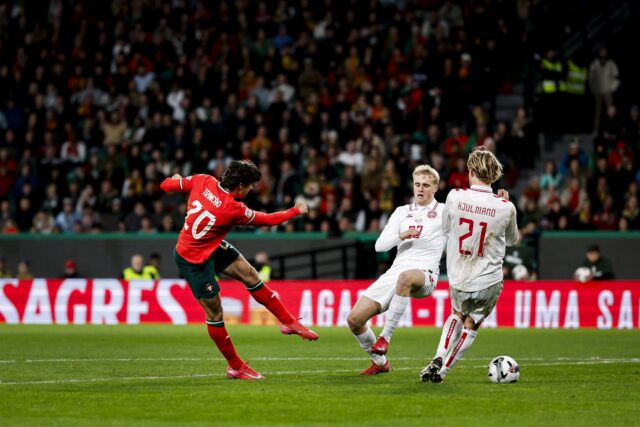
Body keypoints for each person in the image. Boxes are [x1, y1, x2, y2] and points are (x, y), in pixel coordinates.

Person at [159, 160, 318, 381]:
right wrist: (296, 210)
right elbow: (269, 220)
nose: (251, 189)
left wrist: (176, 180)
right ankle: (235, 366)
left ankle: (289, 322)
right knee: (215, 313)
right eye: (251, 185)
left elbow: (165, 185)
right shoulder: (233, 209)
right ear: (241, 185)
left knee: (250, 274)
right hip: (193, 260)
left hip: (210, 245)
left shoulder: (202, 180)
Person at [421, 146, 518, 383]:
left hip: (459, 276)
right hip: (488, 280)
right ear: (494, 175)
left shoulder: (455, 196)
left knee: (457, 313)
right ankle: (442, 372)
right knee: (471, 323)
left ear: (471, 171)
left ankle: (439, 356)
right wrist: (504, 204)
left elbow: (446, 229)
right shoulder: (505, 207)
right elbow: (512, 240)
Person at [347, 165, 446, 375]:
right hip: (396, 272)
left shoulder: (445, 212)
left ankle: (385, 337)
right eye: (417, 184)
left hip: (425, 273)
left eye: (426, 185)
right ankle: (380, 362)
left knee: (405, 277)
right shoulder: (402, 212)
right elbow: (379, 246)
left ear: (435, 187)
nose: (420, 189)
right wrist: (402, 235)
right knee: (354, 320)